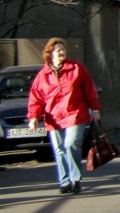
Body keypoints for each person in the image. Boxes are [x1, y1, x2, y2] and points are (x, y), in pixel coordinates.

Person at [27, 38, 102, 194]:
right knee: (59, 150)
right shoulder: (43, 75)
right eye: (57, 50)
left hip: (75, 114)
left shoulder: (77, 68)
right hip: (53, 117)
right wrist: (34, 117)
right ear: (50, 54)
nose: (61, 52)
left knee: (70, 144)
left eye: (63, 49)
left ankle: (75, 179)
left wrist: (95, 108)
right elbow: (36, 97)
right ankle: (65, 181)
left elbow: (90, 89)